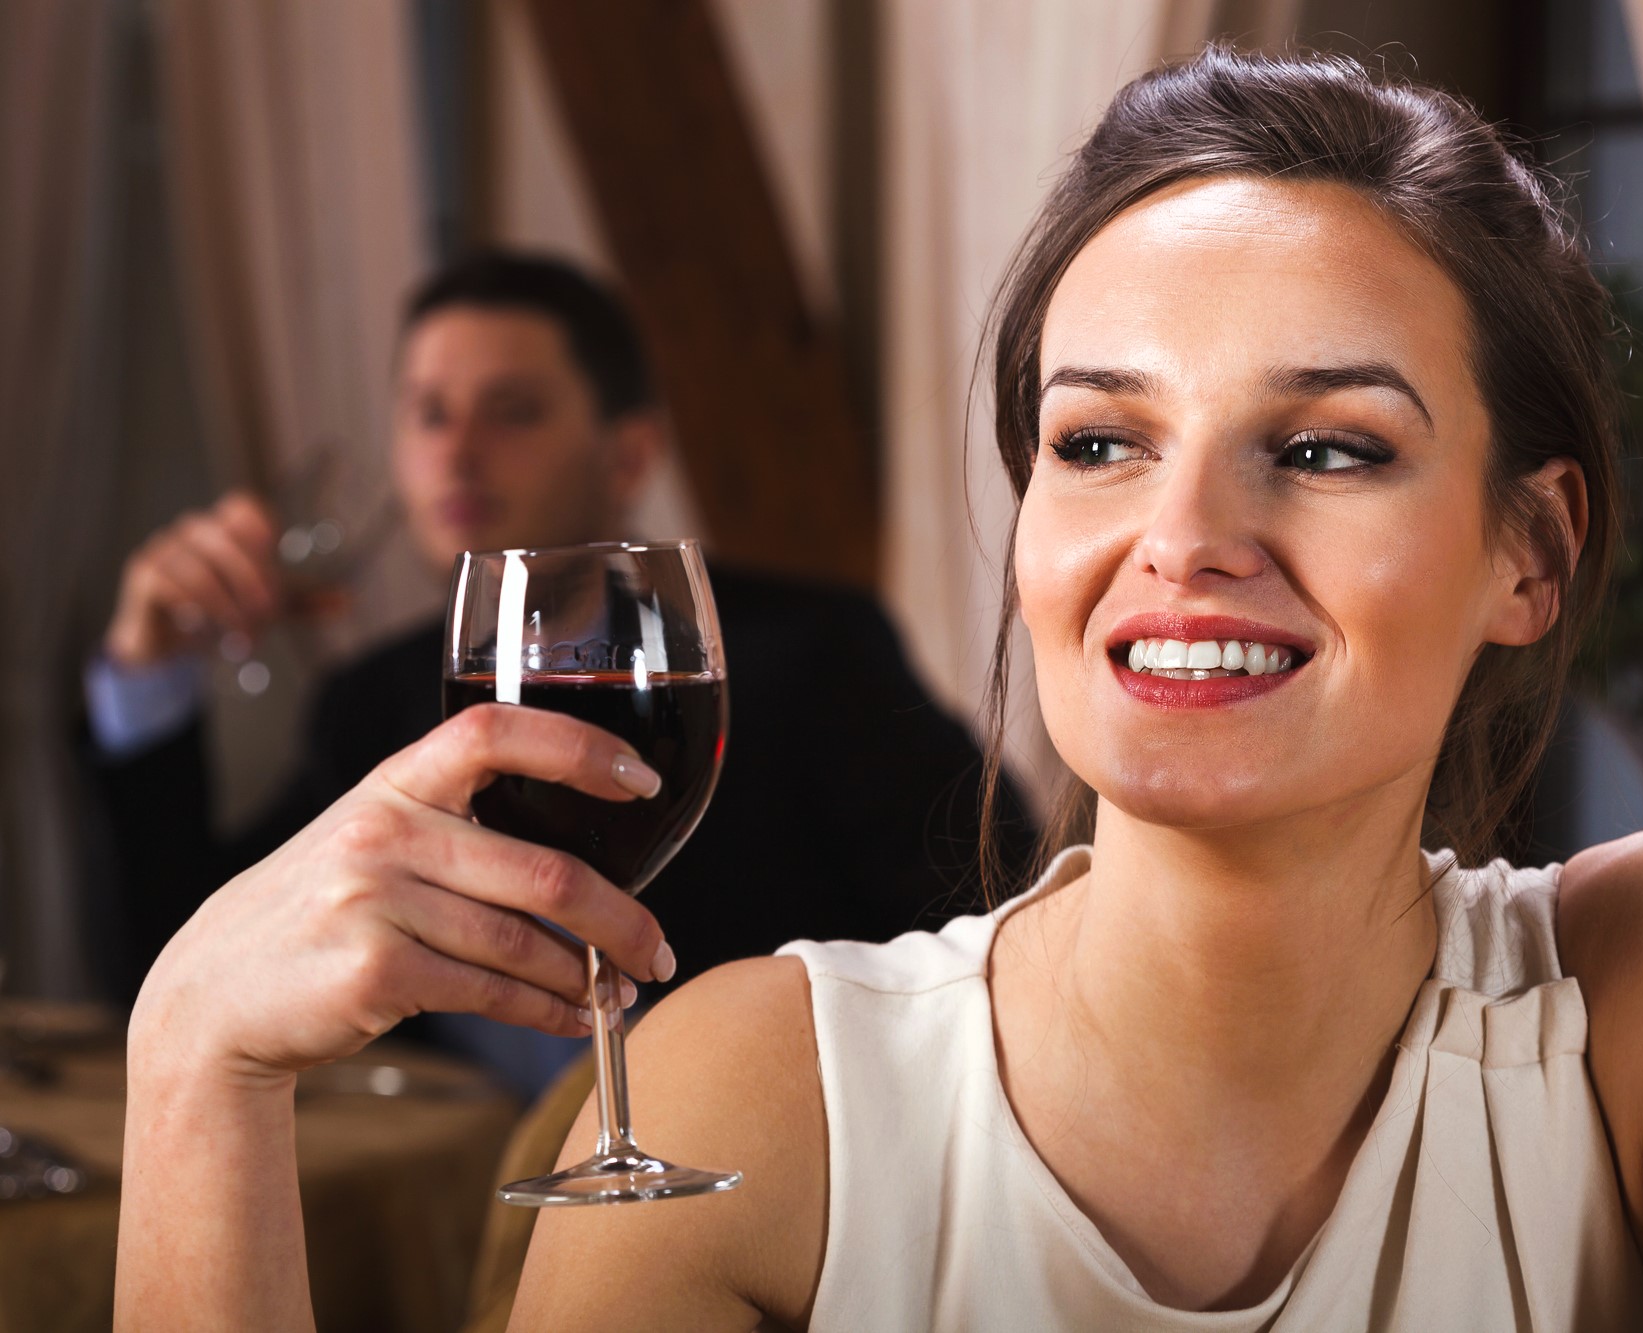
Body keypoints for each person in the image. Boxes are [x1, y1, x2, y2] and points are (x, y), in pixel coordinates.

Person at [116, 49, 1643, 1331]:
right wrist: (195, 1055)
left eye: (1329, 446)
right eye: (1103, 438)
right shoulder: (754, 1095)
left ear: (1533, 552)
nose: (1183, 535)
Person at [85, 252, 1027, 1093]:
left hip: (756, 1167)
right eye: (429, 413)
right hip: (469, 1218)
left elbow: (992, 910)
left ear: (629, 454)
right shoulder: (372, 700)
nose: (456, 452)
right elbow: (197, 962)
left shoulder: (801, 657)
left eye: (514, 412)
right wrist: (148, 677)